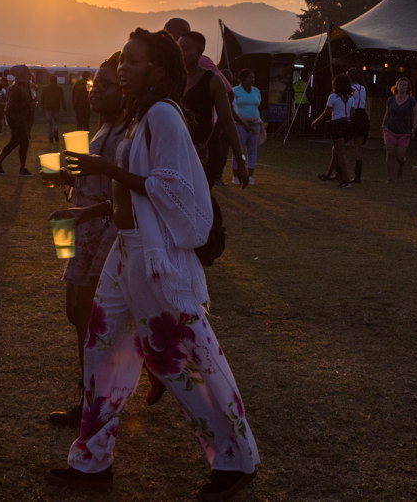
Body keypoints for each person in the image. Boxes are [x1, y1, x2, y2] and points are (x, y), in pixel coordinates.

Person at [47, 28, 259, 500]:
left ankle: (237, 460)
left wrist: (106, 170)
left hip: (153, 254)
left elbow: (172, 187)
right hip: (123, 252)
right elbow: (132, 192)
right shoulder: (139, 115)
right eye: (122, 59)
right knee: (102, 354)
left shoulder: (164, 116)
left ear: (157, 71)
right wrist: (90, 209)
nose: (123, 67)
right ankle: (92, 461)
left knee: (190, 359)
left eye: (134, 61)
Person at [45, 53, 125, 427]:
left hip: (101, 232)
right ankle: (92, 393)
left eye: (107, 85)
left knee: (90, 318)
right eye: (96, 83)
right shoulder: (102, 128)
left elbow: (121, 197)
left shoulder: (124, 135)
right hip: (80, 227)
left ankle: (93, 400)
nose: (96, 91)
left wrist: (84, 212)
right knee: (75, 313)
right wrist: (66, 177)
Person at [177, 31, 249, 188]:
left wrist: (240, 160)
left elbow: (228, 121)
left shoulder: (213, 80)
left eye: (185, 48)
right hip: (176, 152)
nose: (181, 53)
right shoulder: (175, 79)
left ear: (200, 52)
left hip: (203, 154)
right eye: (178, 48)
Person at [0, 64, 35, 177]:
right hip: (16, 117)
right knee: (24, 141)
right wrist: (29, 105)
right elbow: (12, 106)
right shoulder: (17, 88)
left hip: (17, 117)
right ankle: (22, 168)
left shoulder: (21, 86)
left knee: (15, 141)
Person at [313, 73, 354, 188]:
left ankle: (346, 179)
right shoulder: (350, 97)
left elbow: (326, 112)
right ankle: (328, 174)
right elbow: (353, 113)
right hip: (348, 124)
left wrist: (316, 121)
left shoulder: (333, 97)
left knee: (340, 152)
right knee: (336, 150)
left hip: (337, 124)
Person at [381, 77, 417, 182]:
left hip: (404, 131)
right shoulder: (391, 99)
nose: (402, 87)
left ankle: (401, 164)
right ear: (397, 86)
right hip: (390, 129)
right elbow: (387, 113)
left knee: (400, 155)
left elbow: (414, 115)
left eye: (404, 85)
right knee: (390, 152)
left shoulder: (411, 101)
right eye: (400, 84)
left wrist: (414, 128)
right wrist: (383, 125)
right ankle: (390, 177)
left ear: (407, 88)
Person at [231, 69, 262, 186]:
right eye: (250, 77)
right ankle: (236, 175)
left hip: (254, 124)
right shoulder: (236, 91)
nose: (252, 80)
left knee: (252, 150)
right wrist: (242, 120)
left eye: (253, 77)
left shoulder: (256, 91)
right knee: (238, 150)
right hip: (241, 124)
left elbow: (258, 103)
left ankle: (250, 175)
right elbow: (233, 107)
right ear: (243, 79)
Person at [348, 67, 369, 183]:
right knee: (358, 147)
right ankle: (357, 175)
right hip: (363, 114)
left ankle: (339, 171)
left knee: (340, 144)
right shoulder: (363, 88)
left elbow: (350, 101)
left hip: (355, 114)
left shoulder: (351, 88)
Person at [41, 74, 67, 145]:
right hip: (56, 108)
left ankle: (50, 137)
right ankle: (55, 132)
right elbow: (62, 99)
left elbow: (42, 99)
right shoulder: (59, 88)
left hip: (47, 108)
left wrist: (43, 107)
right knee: (56, 122)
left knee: (49, 124)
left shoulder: (45, 88)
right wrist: (65, 109)